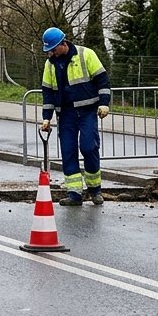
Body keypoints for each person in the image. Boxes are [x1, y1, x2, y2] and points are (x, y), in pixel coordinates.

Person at [38, 27, 111, 206]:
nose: (51, 54)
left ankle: (95, 190)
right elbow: (48, 92)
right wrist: (46, 117)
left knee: (89, 147)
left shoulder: (86, 55)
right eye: (48, 51)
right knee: (68, 151)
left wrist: (104, 103)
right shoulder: (50, 64)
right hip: (65, 114)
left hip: (87, 111)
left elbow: (102, 80)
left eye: (53, 49)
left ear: (63, 44)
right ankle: (74, 194)